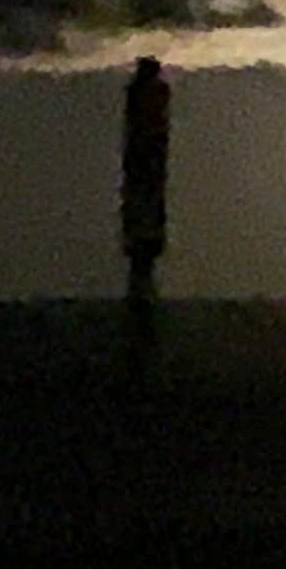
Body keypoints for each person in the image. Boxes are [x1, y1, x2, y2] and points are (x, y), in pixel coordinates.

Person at [118, 55, 171, 381]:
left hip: (144, 179)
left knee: (142, 260)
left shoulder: (145, 96)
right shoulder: (151, 97)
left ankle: (141, 310)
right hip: (145, 180)